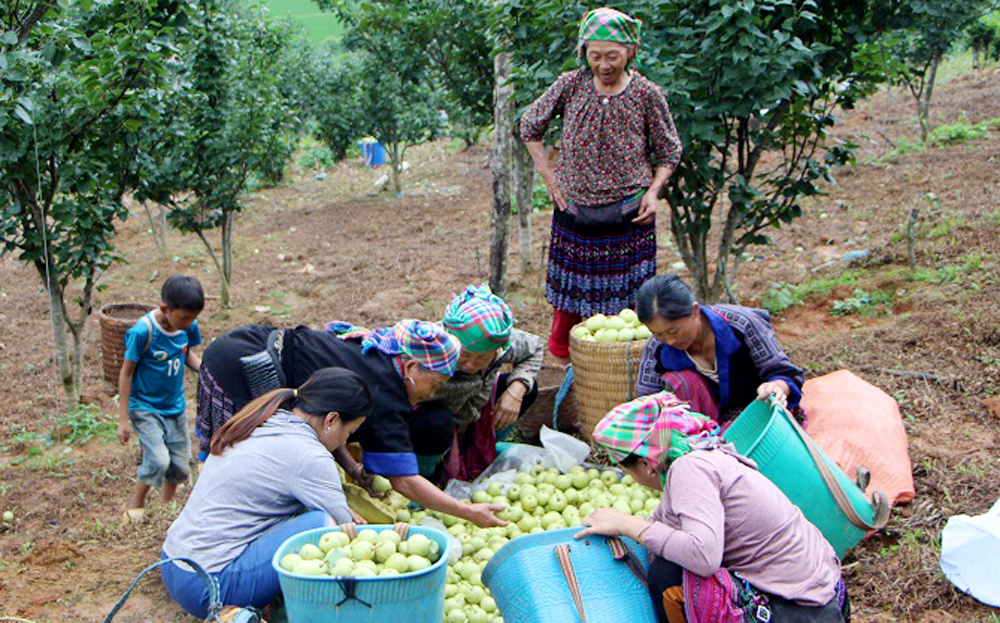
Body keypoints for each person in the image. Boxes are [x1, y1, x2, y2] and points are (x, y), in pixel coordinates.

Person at [196, 319, 506, 527]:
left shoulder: (379, 352)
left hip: (248, 343)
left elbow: (329, 425)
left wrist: (353, 469)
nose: (433, 393)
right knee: (236, 453)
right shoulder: (386, 394)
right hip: (240, 365)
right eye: (435, 383)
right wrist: (468, 511)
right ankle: (218, 525)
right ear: (411, 366)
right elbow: (405, 481)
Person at [578, 392, 849, 623]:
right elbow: (663, 525)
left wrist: (629, 524)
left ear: (646, 465)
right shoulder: (703, 452)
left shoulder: (689, 469)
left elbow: (703, 557)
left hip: (801, 606)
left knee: (669, 574)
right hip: (824, 589)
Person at [520, 7, 683, 365]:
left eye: (613, 55)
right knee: (569, 302)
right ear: (584, 54)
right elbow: (529, 125)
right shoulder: (570, 85)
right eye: (595, 56)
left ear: (631, 51)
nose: (604, 64)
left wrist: (654, 193)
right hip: (574, 211)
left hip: (630, 213)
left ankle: (627, 367)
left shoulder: (647, 94)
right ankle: (570, 368)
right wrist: (549, 176)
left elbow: (670, 151)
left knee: (630, 304)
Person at [161, 367, 371, 618]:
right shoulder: (309, 455)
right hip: (210, 588)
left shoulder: (265, 420)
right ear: (331, 420)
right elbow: (346, 531)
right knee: (324, 524)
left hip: (174, 563)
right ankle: (235, 614)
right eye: (348, 432)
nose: (344, 443)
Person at [634, 274, 806, 425]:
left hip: (758, 413)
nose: (669, 340)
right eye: (657, 334)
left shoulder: (743, 324)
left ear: (694, 310)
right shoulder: (657, 349)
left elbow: (788, 374)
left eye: (674, 331)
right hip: (700, 428)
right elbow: (646, 403)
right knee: (682, 381)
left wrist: (776, 387)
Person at [417, 284, 544, 480]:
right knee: (434, 422)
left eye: (482, 358)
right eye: (464, 355)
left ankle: (484, 452)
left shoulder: (497, 340)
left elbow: (535, 348)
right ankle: (426, 475)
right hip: (432, 423)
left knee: (528, 388)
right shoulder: (430, 345)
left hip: (473, 415)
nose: (470, 365)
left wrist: (516, 391)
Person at [117, 274, 204, 524]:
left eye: (193, 318)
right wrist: (123, 419)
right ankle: (135, 504)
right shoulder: (142, 332)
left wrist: (205, 371)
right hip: (145, 407)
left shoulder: (187, 326)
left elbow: (188, 354)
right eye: (185, 318)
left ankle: (167, 506)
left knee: (180, 465)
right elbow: (126, 372)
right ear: (166, 309)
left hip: (174, 406)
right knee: (157, 459)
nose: (189, 323)